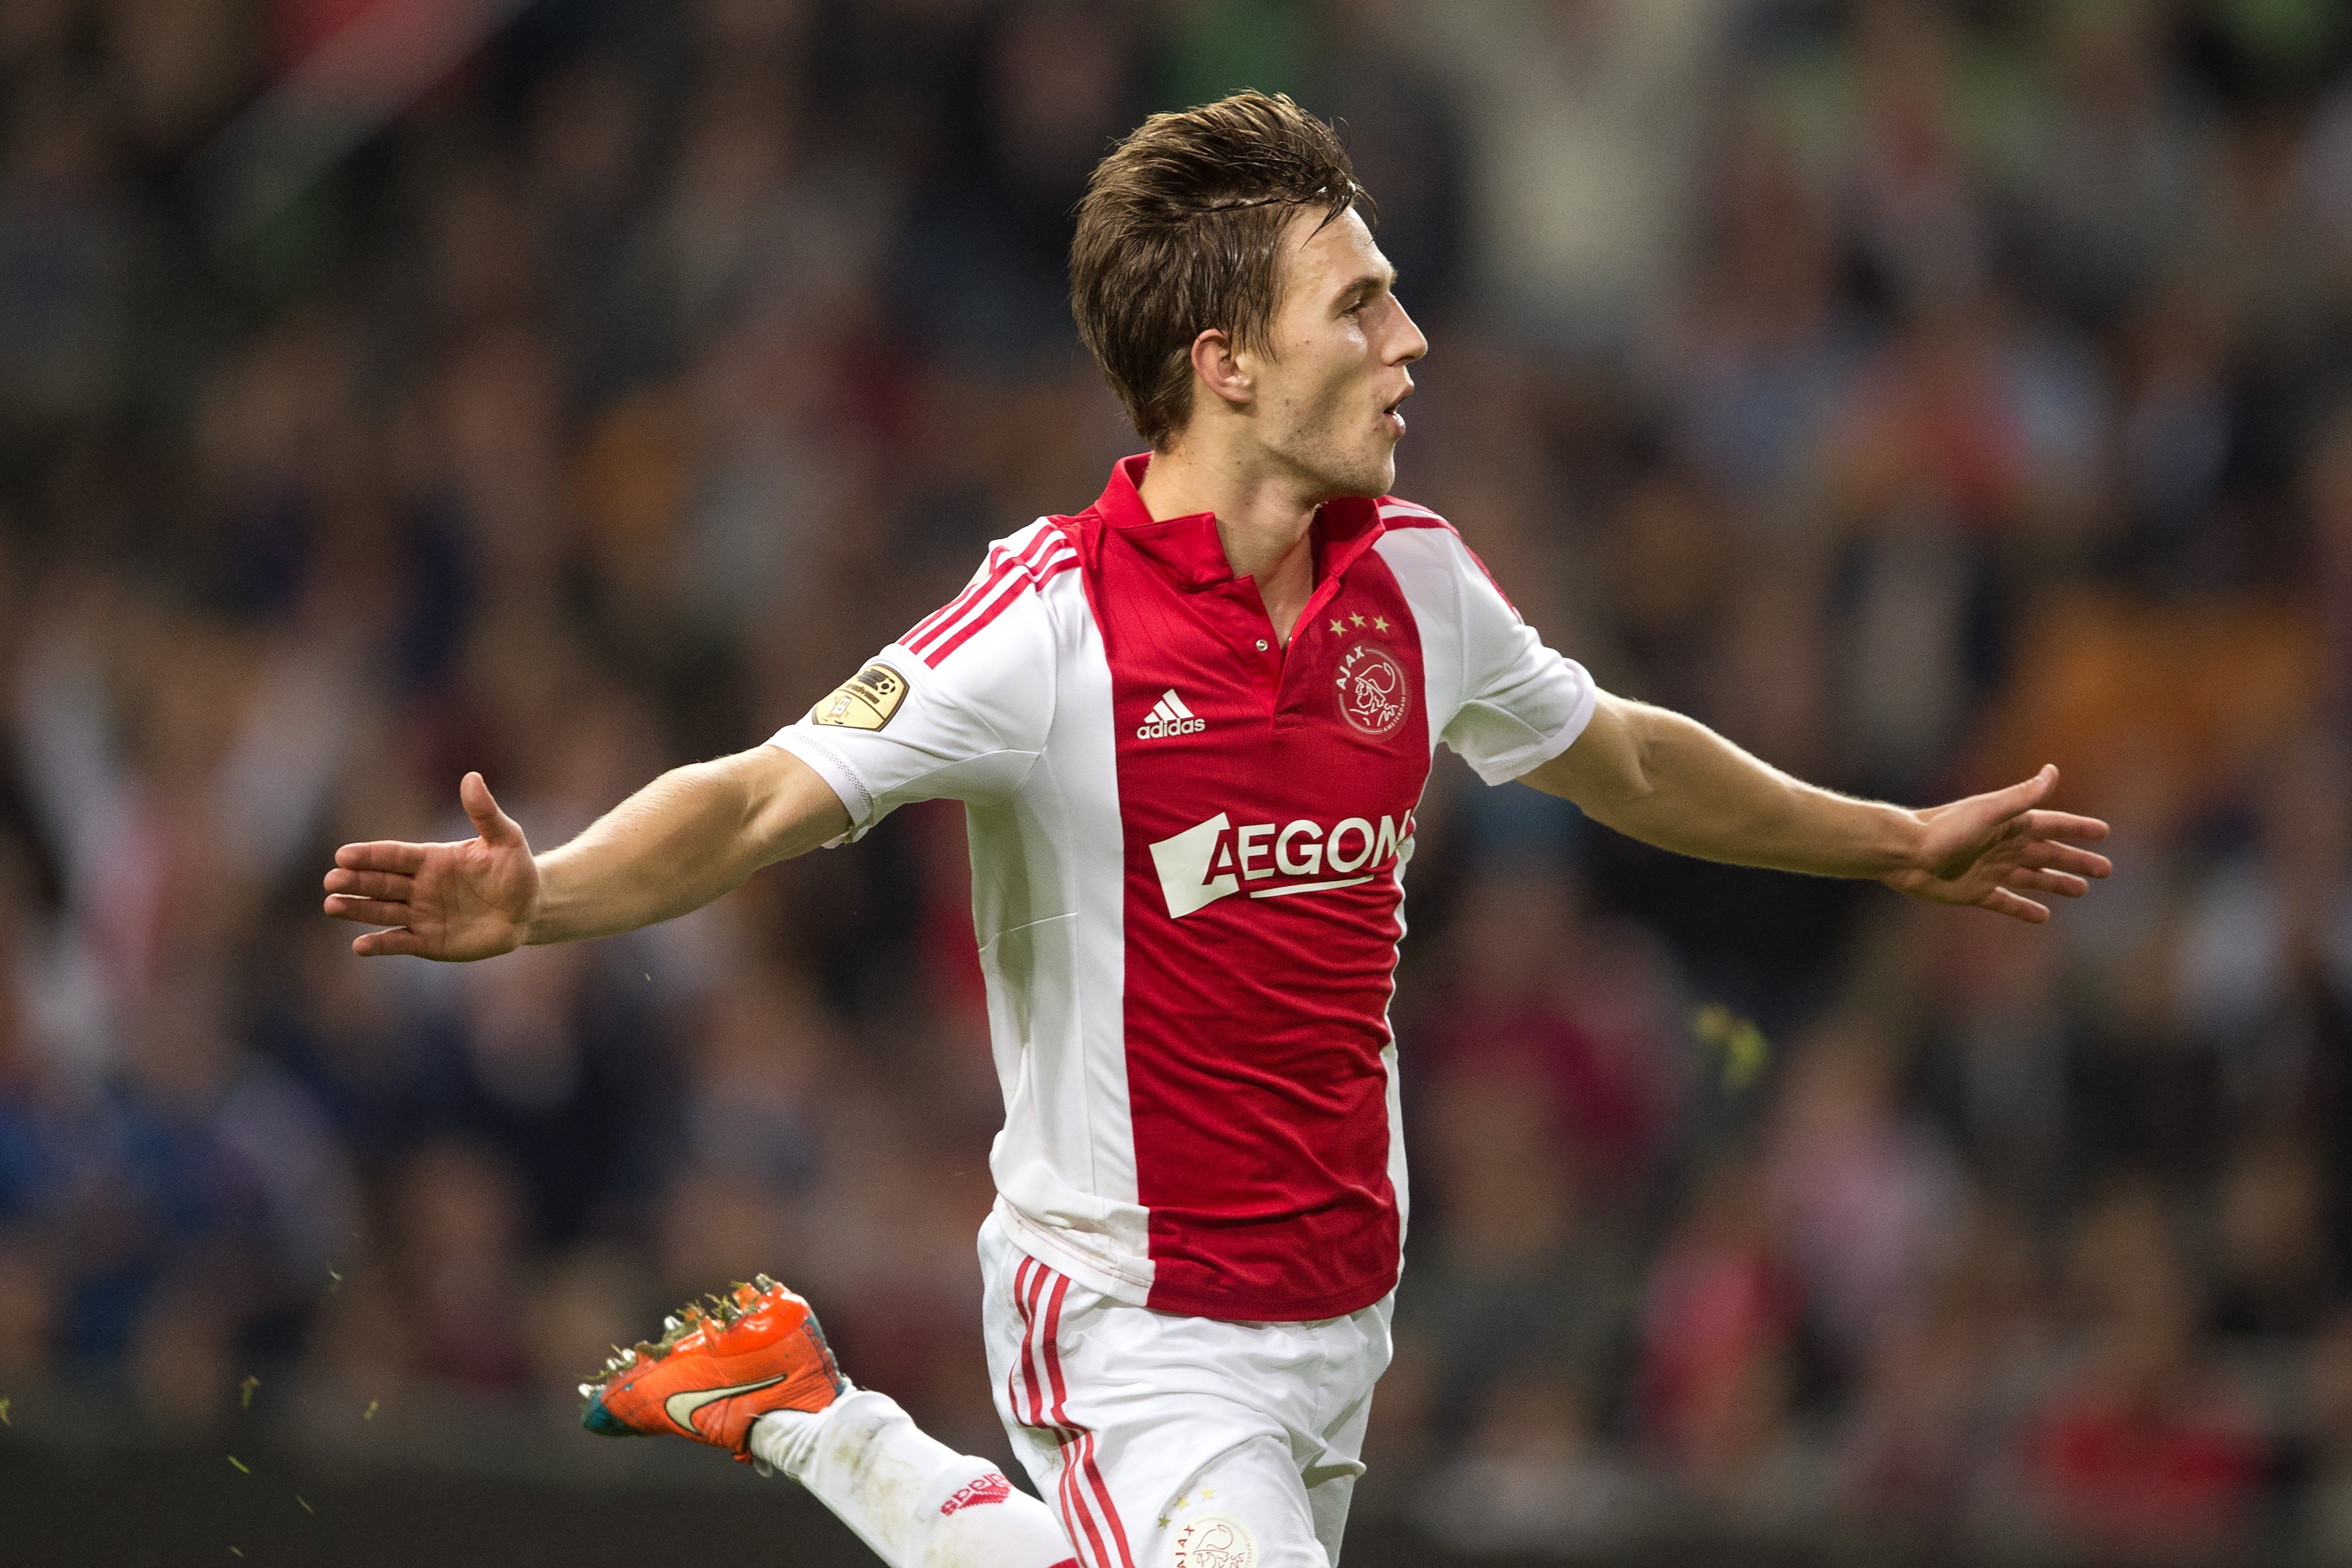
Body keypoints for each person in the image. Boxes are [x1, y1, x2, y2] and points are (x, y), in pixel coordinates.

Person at [323, 92, 2111, 1568]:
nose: (1409, 341)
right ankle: (811, 1418)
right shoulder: (1047, 625)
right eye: (1361, 306)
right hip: (1129, 1319)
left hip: (1340, 1311)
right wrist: (546, 896)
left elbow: (1622, 759)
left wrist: (1894, 842)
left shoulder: (1417, 586)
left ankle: (806, 1412)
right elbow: (761, 793)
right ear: (1227, 362)